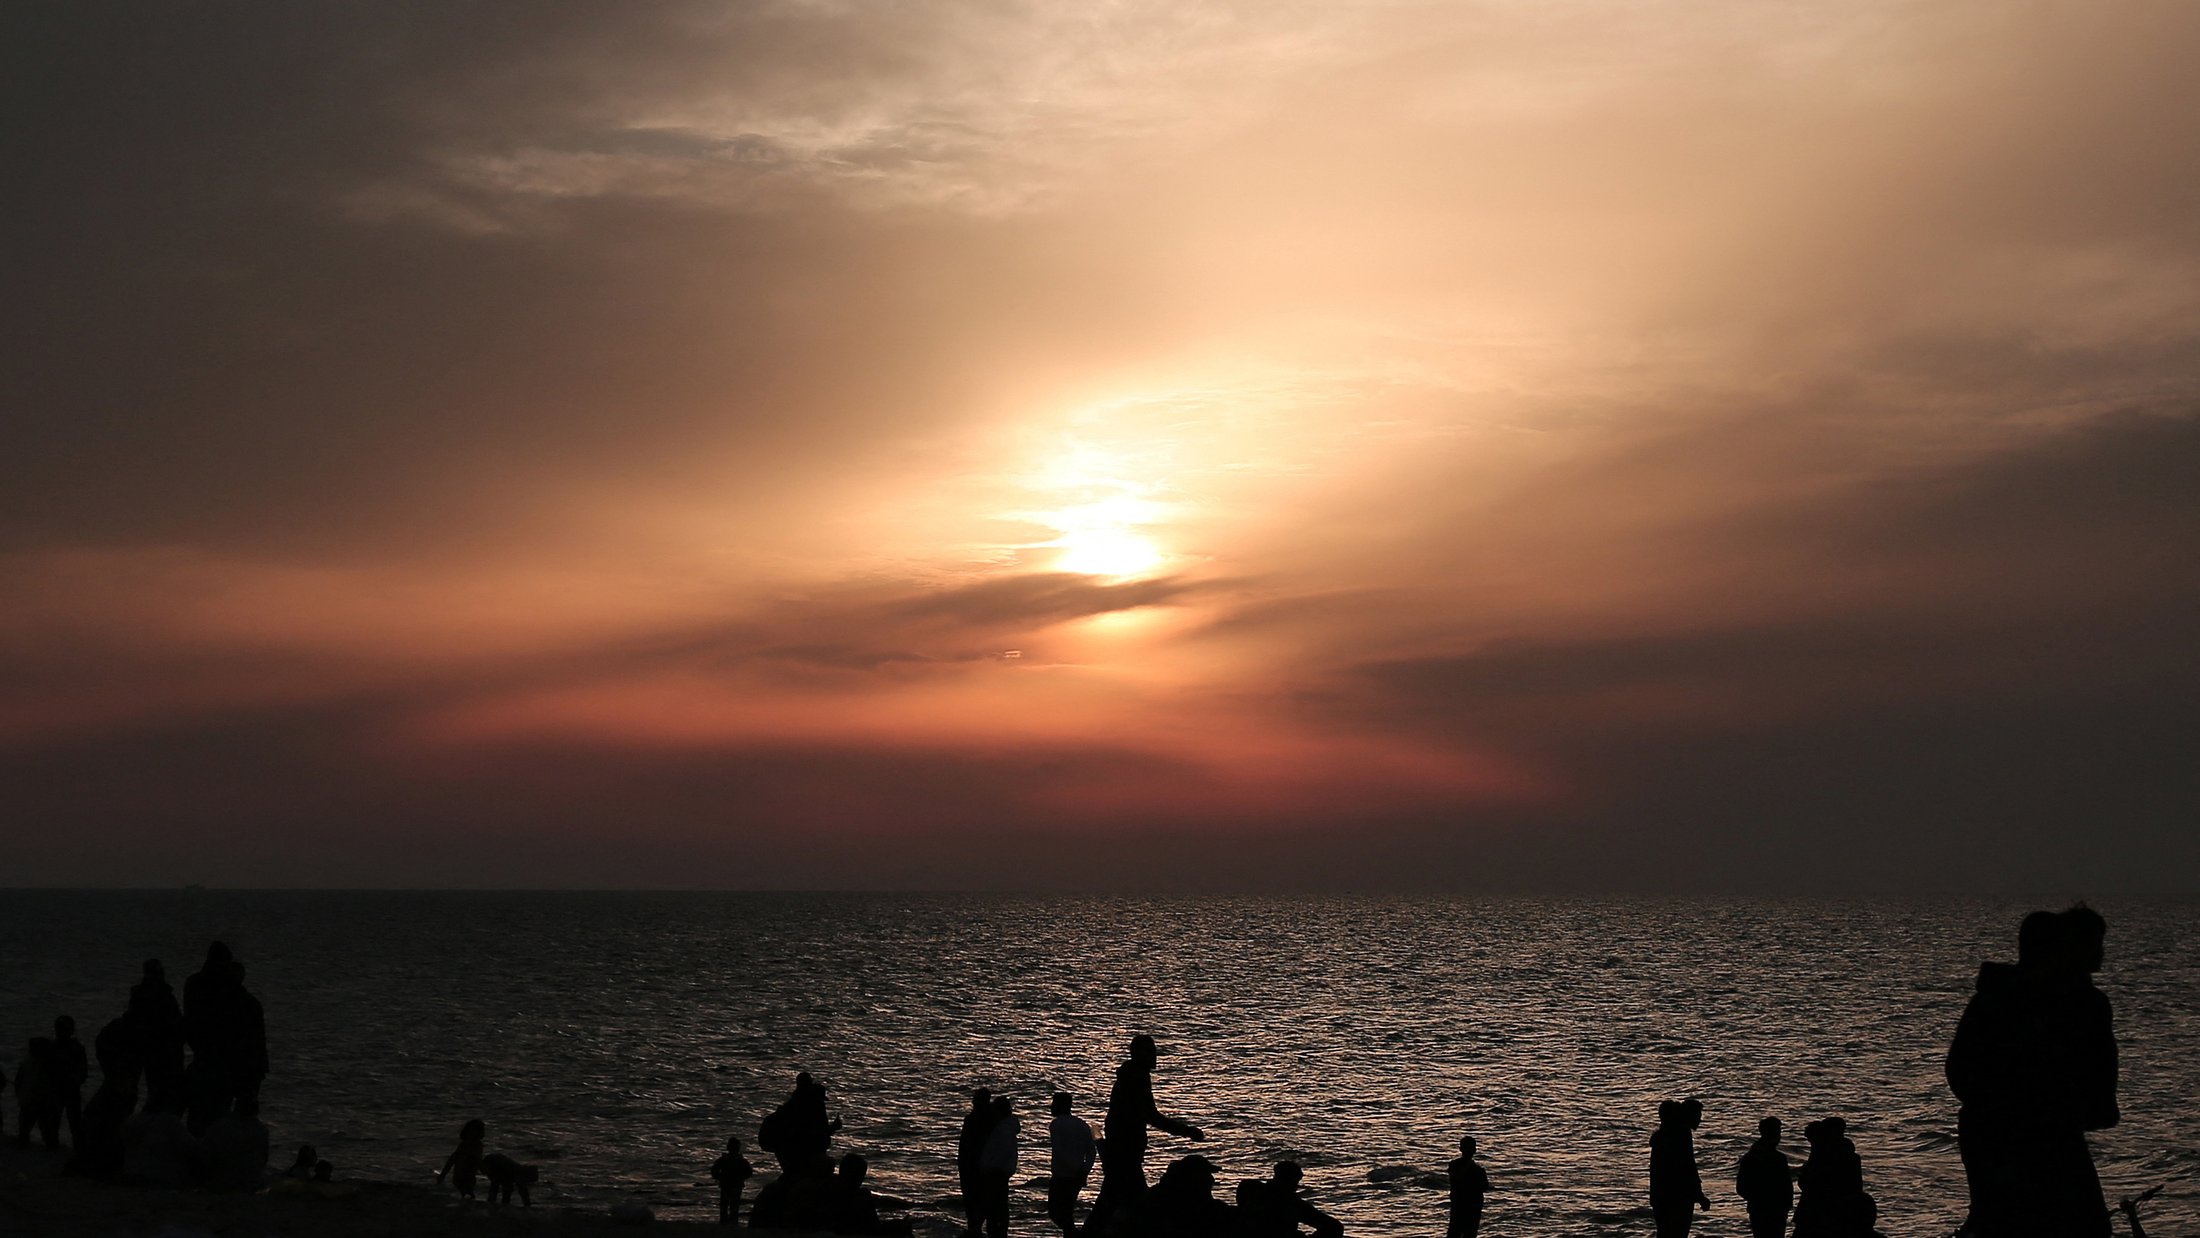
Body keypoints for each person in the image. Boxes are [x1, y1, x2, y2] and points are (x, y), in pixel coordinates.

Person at [1087, 1035, 1204, 1233]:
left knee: (1113, 1202)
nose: (1155, 1055)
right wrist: (1187, 1131)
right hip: (1126, 1153)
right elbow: (1151, 1115)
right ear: (1139, 1053)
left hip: (1123, 1152)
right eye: (1150, 1051)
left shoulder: (1133, 1076)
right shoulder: (1136, 1078)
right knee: (1133, 1205)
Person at [1791, 1117, 1870, 1238]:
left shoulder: (1823, 1155)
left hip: (1817, 1213)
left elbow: (1809, 1183)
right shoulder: (1850, 1156)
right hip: (1841, 1212)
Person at [131, 960, 187, 1112]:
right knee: (167, 1094)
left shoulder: (140, 996)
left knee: (157, 1092)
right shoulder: (164, 997)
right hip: (165, 1053)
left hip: (152, 1053)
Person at [1650, 1099, 1710, 1237]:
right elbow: (1686, 1168)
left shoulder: (1664, 1135)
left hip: (1661, 1197)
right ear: (1689, 1115)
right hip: (1678, 1198)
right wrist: (1699, 1196)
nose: (1700, 1120)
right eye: (1698, 1115)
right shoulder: (1681, 1135)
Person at [1239, 1161, 1343, 1238]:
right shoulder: (1292, 1203)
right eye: (1295, 1181)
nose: (1296, 1186)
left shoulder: (1251, 1190)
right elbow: (1333, 1226)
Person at [1047, 1091, 1096, 1235]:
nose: (1051, 1107)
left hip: (1062, 1176)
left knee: (1056, 1213)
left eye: (1054, 1104)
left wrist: (1075, 1169)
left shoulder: (1056, 1124)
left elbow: (1059, 1150)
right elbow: (1091, 1152)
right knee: (1066, 1213)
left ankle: (1074, 1234)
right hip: (1077, 1176)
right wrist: (1084, 1170)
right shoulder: (1082, 1124)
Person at [1736, 1116, 1793, 1238]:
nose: (1779, 1136)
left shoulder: (1751, 1156)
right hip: (1770, 1209)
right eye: (1777, 1132)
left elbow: (1741, 1187)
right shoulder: (1776, 1158)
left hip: (1765, 1208)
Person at [202, 1094, 271, 1191]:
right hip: (250, 1183)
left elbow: (206, 1154)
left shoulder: (219, 1127)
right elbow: (263, 1159)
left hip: (219, 1181)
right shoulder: (261, 1130)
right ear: (256, 1111)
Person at [978, 1095, 1019, 1238]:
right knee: (999, 1206)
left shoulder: (1003, 1129)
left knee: (996, 1207)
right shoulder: (1005, 1128)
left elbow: (1001, 1153)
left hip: (996, 1172)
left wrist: (988, 1166)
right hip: (1000, 1172)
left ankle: (998, 1233)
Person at [958, 1087, 997, 1235]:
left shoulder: (973, 1119)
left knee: (972, 1200)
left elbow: (965, 1145)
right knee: (983, 1201)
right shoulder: (993, 1119)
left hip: (972, 1165)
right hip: (984, 1166)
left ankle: (974, 1230)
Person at [14, 1037, 59, 1151]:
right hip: (33, 1100)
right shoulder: (44, 1063)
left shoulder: (32, 1062)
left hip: (38, 1100)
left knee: (43, 1128)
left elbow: (18, 1081)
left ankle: (49, 1147)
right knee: (31, 1127)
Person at [50, 1016, 88, 1150]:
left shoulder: (74, 1049)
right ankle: (54, 1145)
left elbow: (83, 1072)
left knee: (74, 1122)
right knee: (57, 1120)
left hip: (68, 1090)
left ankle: (76, 1147)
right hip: (61, 1090)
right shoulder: (55, 1048)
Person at [1447, 1135, 1490, 1238]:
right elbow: (1455, 1177)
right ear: (1461, 1149)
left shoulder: (1478, 1170)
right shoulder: (1455, 1165)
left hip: (1472, 1207)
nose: (1468, 1151)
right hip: (1460, 1206)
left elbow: (1484, 1187)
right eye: (1467, 1148)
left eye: (1470, 1148)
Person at [712, 1134, 756, 1225]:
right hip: (732, 1185)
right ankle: (730, 1223)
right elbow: (749, 1172)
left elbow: (714, 1170)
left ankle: (727, 1223)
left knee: (728, 1206)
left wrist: (719, 1177)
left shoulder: (727, 1159)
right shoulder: (737, 1160)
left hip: (730, 1184)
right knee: (731, 1206)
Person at [437, 1118, 487, 1198]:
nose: (483, 1132)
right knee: (468, 1192)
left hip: (461, 1175)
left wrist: (443, 1174)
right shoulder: (474, 1145)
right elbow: (477, 1159)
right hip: (466, 1176)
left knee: (465, 1193)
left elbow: (452, 1159)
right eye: (481, 1130)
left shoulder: (464, 1144)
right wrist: (484, 1170)